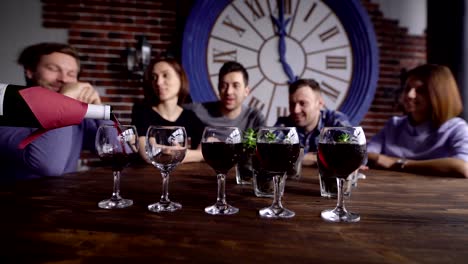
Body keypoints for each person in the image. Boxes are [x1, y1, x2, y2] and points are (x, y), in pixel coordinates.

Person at [0, 42, 105, 180]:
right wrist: (64, 101)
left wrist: (99, 107)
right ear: (30, 71)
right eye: (53, 69)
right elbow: (49, 165)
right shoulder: (5, 109)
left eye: (71, 73)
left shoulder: (77, 114)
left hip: (63, 199)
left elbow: (119, 149)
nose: (63, 79)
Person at [367, 64, 468, 178]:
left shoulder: (457, 128)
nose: (410, 95)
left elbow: (463, 167)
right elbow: (365, 155)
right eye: (407, 88)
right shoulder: (394, 124)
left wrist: (397, 163)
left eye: (421, 90)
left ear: (440, 95)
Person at [131, 56, 205, 163]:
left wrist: (165, 151)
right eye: (154, 77)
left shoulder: (190, 116)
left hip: (184, 178)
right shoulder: (142, 112)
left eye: (165, 75)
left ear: (180, 78)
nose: (158, 82)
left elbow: (207, 151)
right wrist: (194, 154)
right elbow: (147, 154)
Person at [275, 78, 352, 166]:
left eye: (303, 103)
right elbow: (269, 155)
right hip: (294, 180)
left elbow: (353, 154)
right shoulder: (284, 124)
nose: (296, 110)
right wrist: (306, 157)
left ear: (320, 103)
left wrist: (295, 157)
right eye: (292, 104)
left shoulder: (335, 120)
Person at [184, 61, 265, 131]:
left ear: (246, 91)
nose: (229, 92)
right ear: (218, 88)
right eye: (224, 86)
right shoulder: (196, 111)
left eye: (235, 85)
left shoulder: (254, 118)